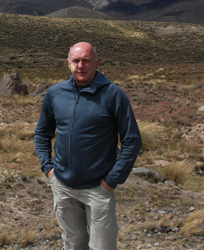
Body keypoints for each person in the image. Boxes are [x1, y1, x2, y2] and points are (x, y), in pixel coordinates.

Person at [34, 42, 142, 250]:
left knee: (102, 246)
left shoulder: (113, 94)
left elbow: (132, 139)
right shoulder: (56, 93)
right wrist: (48, 169)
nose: (80, 66)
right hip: (63, 185)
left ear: (97, 63)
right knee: (73, 244)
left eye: (86, 60)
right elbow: (42, 132)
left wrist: (112, 179)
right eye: (76, 61)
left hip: (98, 188)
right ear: (68, 63)